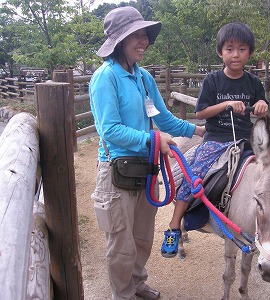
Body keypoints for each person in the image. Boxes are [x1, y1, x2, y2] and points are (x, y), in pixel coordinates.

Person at [89, 6, 205, 300]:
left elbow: (164, 119)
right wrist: (153, 139)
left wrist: (198, 131)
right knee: (120, 242)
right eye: (135, 36)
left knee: (142, 237)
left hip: (146, 169)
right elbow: (110, 130)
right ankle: (123, 293)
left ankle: (138, 283)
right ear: (119, 40)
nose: (143, 41)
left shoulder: (143, 78)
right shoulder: (106, 78)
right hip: (117, 171)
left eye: (144, 35)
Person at [161, 22, 269, 258]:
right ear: (220, 52)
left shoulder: (253, 83)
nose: (235, 54)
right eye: (229, 49)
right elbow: (200, 113)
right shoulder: (212, 80)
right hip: (216, 140)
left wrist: (263, 106)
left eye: (241, 49)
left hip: (245, 141)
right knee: (193, 175)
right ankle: (173, 225)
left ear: (249, 52)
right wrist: (226, 105)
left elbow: (263, 109)